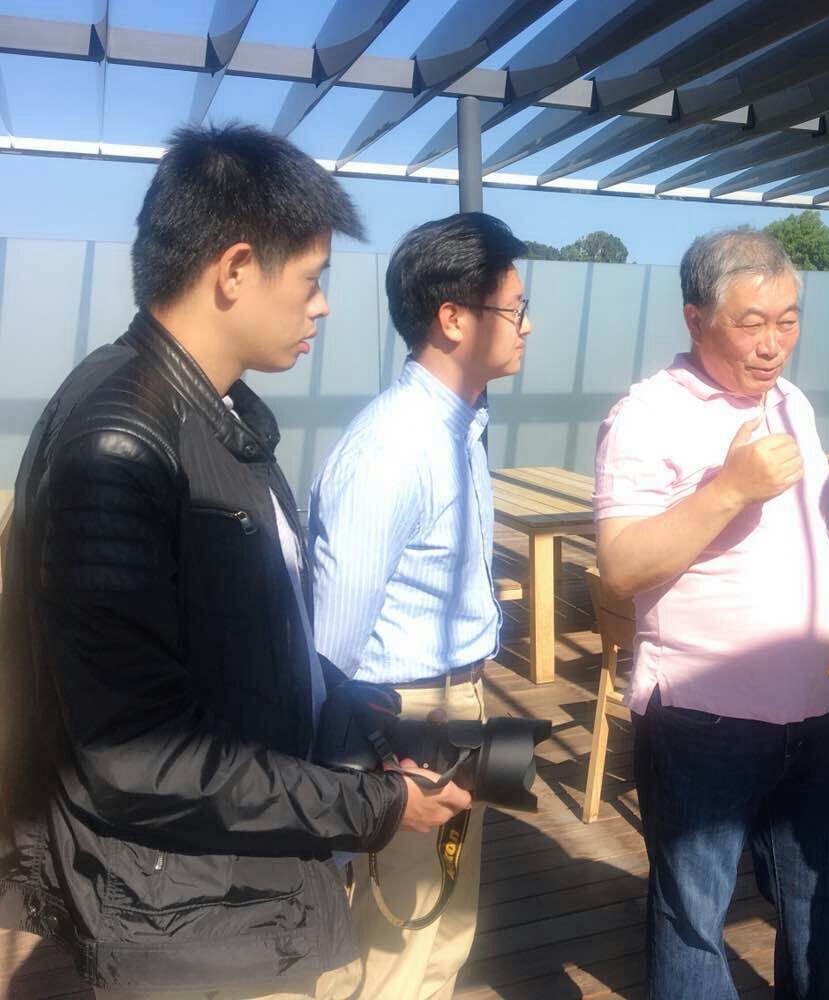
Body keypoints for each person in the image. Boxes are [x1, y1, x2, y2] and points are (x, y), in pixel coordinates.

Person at [0, 124, 463, 999]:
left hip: (228, 887)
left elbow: (233, 644)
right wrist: (376, 808)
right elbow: (136, 756)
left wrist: (354, 711)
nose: (322, 306)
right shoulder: (120, 441)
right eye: (312, 279)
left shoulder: (215, 416)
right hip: (187, 916)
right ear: (236, 269)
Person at [593, 228, 829, 1000]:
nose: (774, 344)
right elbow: (622, 565)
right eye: (752, 323)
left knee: (823, 906)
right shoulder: (646, 414)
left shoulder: (790, 402)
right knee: (693, 924)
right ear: (696, 319)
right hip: (702, 716)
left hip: (812, 707)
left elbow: (809, 515)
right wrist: (729, 489)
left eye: (789, 320)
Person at [310, 213, 531, 1000]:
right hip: (401, 724)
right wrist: (371, 763)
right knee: (391, 946)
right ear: (453, 319)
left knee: (442, 932)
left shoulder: (457, 427)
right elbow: (332, 643)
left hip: (452, 709)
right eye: (515, 308)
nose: (527, 325)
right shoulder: (395, 448)